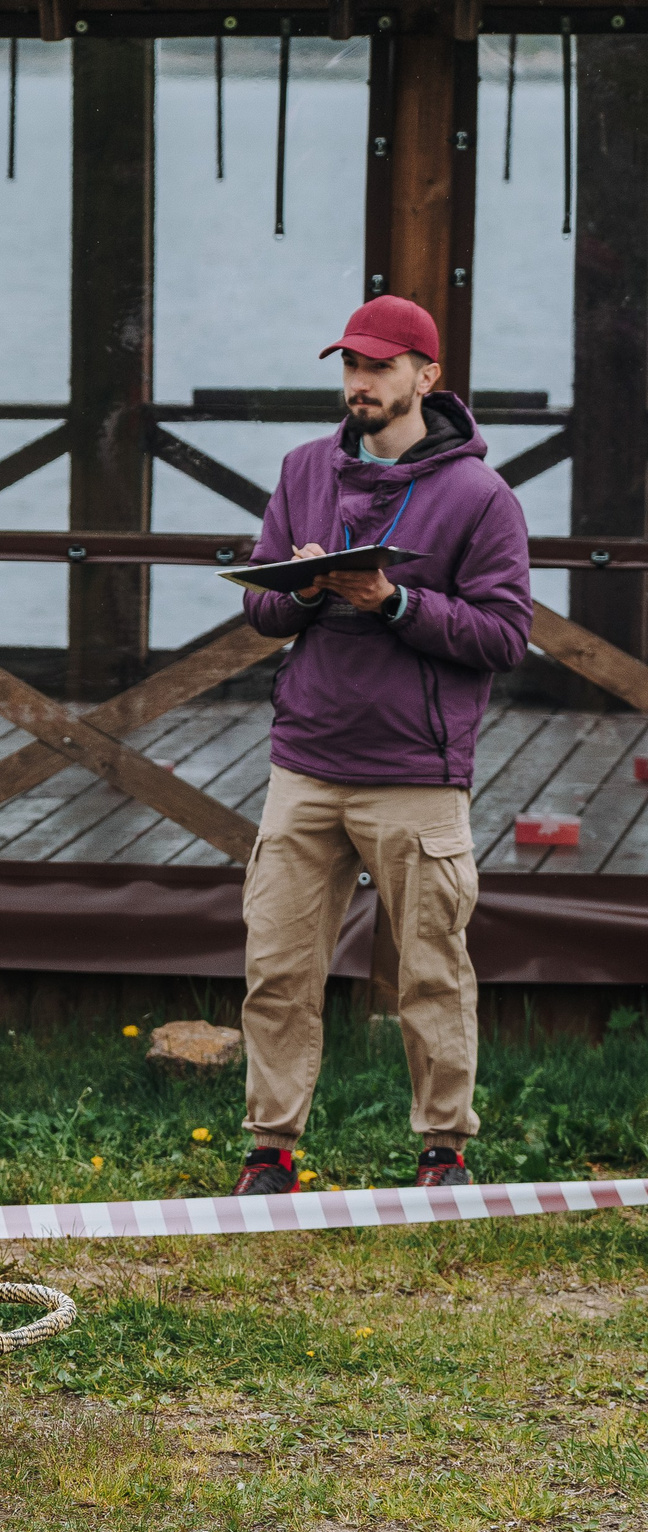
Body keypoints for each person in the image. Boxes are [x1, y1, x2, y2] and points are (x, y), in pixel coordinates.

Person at [233, 295, 531, 1196]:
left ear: (426, 377)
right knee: (275, 968)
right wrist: (308, 588)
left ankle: (444, 1151)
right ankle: (269, 1153)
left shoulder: (482, 497)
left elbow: (505, 638)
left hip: (417, 773)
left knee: (433, 972)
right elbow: (260, 609)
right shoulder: (302, 469)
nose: (359, 382)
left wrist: (393, 602)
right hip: (306, 760)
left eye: (378, 366)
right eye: (350, 367)